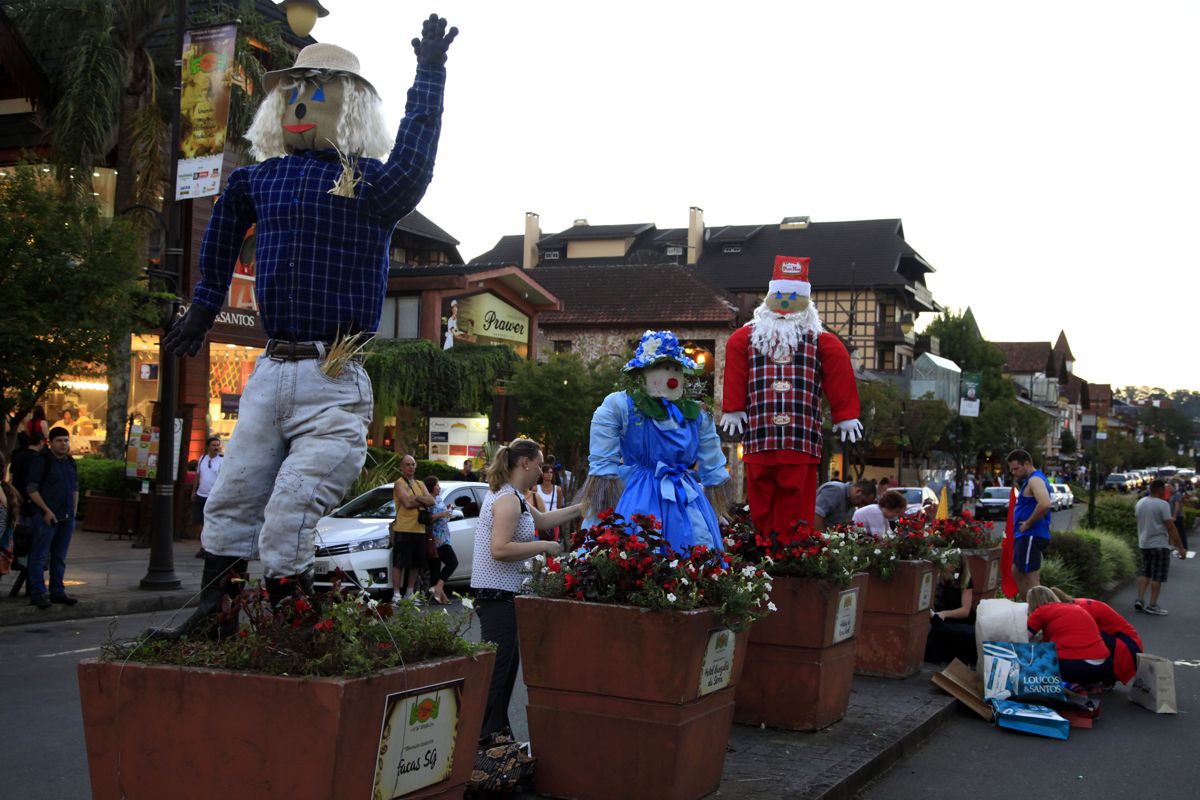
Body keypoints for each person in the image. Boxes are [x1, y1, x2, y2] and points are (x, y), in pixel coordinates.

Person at [149, 18, 460, 637]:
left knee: (291, 510)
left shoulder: (368, 185)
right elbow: (220, 233)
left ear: (346, 109)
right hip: (271, 369)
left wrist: (429, 75)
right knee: (233, 496)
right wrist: (206, 304)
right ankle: (220, 614)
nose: (298, 107)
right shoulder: (257, 178)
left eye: (315, 95)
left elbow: (415, 161)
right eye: (291, 95)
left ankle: (294, 621)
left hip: (332, 372)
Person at [720, 256, 863, 542]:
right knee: (760, 495)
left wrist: (845, 414)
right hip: (761, 436)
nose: (786, 304)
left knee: (796, 497)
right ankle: (765, 545)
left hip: (800, 437)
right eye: (781, 296)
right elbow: (735, 365)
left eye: (794, 297)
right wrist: (733, 408)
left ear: (806, 302)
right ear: (770, 298)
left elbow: (838, 370)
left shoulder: (820, 341)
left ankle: (790, 549)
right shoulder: (746, 338)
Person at [580, 330, 731, 552]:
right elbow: (603, 457)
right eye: (663, 367)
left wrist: (717, 501)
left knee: (696, 545)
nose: (672, 376)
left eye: (676, 368)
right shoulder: (622, 405)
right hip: (639, 491)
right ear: (642, 373)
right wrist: (605, 494)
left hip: (684, 492)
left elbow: (713, 462)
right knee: (636, 543)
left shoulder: (697, 413)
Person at [471, 438, 582, 739]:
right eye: (540, 462)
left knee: (506, 672)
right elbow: (500, 548)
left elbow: (545, 518)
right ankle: (484, 742)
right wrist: (544, 545)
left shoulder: (514, 496)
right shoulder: (507, 500)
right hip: (496, 596)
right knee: (498, 674)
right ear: (525, 463)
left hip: (505, 596)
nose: (543, 470)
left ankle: (495, 738)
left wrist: (583, 507)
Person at [25, 426, 79, 609]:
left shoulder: (70, 462)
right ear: (50, 443)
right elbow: (32, 489)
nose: (64, 444)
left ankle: (57, 591)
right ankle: (38, 593)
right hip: (45, 517)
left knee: (59, 556)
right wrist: (46, 510)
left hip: (66, 517)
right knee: (39, 556)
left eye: (66, 440)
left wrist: (73, 512)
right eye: (59, 441)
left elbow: (74, 488)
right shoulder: (42, 461)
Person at [1050, 587, 1142, 685]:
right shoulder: (1076, 606)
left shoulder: (1080, 611)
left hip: (1127, 646)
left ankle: (1101, 676)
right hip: (1123, 642)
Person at [1025, 586, 1112, 686]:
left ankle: (1045, 693)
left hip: (1077, 665)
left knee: (1031, 659)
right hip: (1104, 665)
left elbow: (1023, 637)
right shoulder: (1075, 607)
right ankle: (1079, 686)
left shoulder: (1040, 611)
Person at [1134, 479, 1185, 615]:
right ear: (1161, 490)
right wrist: (1180, 547)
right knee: (1157, 575)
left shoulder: (1140, 503)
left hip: (1144, 543)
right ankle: (1153, 604)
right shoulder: (1162, 505)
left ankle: (1139, 599)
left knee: (1146, 572)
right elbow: (1170, 527)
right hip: (1159, 544)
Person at [1007, 449, 1053, 597]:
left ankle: (1039, 611)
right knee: (1017, 570)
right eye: (1011, 469)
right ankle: (1029, 607)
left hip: (1031, 534)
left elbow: (1045, 504)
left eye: (1016, 468)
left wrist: (1027, 523)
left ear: (1026, 464)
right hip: (1026, 535)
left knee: (1031, 577)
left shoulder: (1035, 479)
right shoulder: (1030, 480)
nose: (1013, 472)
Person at [391, 454, 435, 604]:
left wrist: (416, 498)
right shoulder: (399, 484)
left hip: (420, 529)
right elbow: (407, 503)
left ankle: (409, 593)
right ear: (402, 467)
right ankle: (396, 594)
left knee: (416, 564)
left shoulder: (420, 484)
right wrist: (421, 500)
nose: (411, 467)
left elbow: (432, 500)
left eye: (413, 464)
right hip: (403, 528)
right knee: (399, 563)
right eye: (408, 464)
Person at [925, 555, 976, 665]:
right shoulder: (938, 576)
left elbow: (965, 611)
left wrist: (944, 614)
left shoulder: (965, 579)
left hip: (955, 619)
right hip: (937, 616)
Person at [422, 475, 456, 605]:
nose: (439, 487)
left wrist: (448, 511)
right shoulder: (428, 501)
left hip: (445, 537)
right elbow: (427, 519)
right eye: (437, 485)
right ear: (431, 487)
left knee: (441, 567)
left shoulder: (439, 499)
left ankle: (439, 592)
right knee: (450, 563)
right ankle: (439, 590)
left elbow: (445, 517)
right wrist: (442, 514)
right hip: (435, 539)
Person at [191, 436, 223, 556]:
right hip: (201, 494)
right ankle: (203, 546)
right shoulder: (202, 458)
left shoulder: (221, 461)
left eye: (217, 445)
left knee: (210, 522)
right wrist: (193, 491)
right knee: (199, 521)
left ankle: (210, 547)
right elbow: (197, 476)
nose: (216, 448)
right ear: (208, 447)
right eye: (213, 445)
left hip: (213, 496)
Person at [532, 463, 565, 540]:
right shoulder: (535, 488)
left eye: (551, 472)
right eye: (546, 472)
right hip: (539, 522)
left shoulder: (558, 489)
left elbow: (559, 508)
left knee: (552, 549)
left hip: (553, 523)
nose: (549, 474)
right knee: (538, 549)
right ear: (542, 474)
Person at [1168, 480, 1188, 554]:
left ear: (1173, 487)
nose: (1168, 488)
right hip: (1174, 516)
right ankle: (1177, 547)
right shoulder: (1172, 495)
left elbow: (1177, 506)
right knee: (1174, 532)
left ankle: (1184, 547)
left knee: (1180, 532)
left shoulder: (1177, 495)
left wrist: (1174, 516)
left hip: (1178, 516)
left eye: (1169, 486)